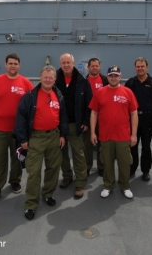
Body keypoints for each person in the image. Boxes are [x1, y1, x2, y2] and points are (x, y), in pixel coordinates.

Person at [14, 65, 68, 220]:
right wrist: (23, 139)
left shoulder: (59, 95)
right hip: (36, 138)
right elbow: (21, 118)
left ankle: (48, 194)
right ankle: (31, 204)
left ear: (55, 79)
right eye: (45, 77)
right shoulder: (30, 96)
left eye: (51, 77)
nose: (48, 79)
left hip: (54, 136)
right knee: (34, 172)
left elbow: (63, 117)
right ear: (40, 77)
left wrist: (63, 135)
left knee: (53, 168)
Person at [0, 53, 34, 206]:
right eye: (10, 63)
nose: (13, 66)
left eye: (16, 63)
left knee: (17, 159)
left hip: (18, 131)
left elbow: (33, 105)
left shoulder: (25, 83)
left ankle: (15, 181)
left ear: (19, 65)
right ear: (6, 65)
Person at [89, 65, 138, 198]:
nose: (113, 78)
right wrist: (93, 132)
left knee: (124, 163)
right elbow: (94, 113)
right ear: (107, 76)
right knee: (107, 163)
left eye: (116, 75)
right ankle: (108, 185)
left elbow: (134, 114)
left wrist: (133, 135)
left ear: (120, 76)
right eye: (111, 75)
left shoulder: (128, 92)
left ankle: (125, 186)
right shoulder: (100, 92)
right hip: (105, 135)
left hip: (123, 136)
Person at [56, 53, 92, 199]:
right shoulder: (54, 79)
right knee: (61, 153)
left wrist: (85, 122)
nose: (66, 65)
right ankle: (67, 176)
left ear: (73, 63)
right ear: (60, 64)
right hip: (58, 124)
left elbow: (89, 104)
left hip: (75, 124)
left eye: (68, 62)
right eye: (63, 62)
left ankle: (80, 182)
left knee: (78, 153)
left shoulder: (82, 81)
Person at [124, 57, 152, 182]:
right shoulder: (130, 82)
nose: (140, 68)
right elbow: (125, 102)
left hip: (148, 118)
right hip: (133, 117)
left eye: (142, 66)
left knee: (146, 146)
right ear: (135, 68)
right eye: (137, 66)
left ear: (147, 67)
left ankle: (145, 171)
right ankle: (132, 169)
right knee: (132, 145)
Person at [84, 58, 108, 176]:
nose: (94, 67)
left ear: (99, 67)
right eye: (92, 66)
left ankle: (101, 166)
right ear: (88, 67)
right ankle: (87, 166)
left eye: (96, 65)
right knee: (87, 144)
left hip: (102, 117)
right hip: (88, 116)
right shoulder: (83, 81)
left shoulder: (105, 80)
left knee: (101, 143)